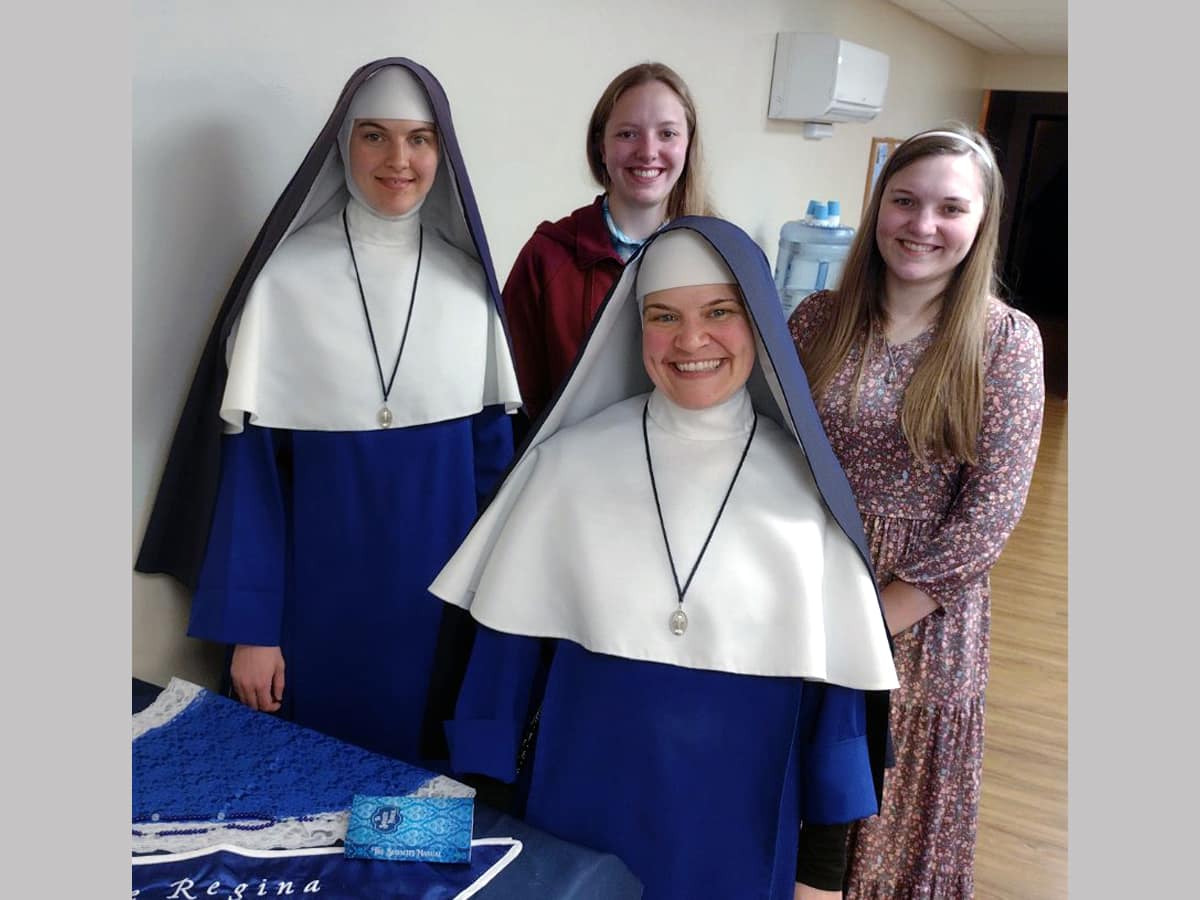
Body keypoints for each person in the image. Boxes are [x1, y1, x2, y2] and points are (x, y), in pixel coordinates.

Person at [430, 220, 899, 900]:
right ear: (636, 328)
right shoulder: (566, 467)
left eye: (719, 312)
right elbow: (498, 677)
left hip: (739, 830)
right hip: (577, 811)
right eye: (663, 316)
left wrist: (818, 879)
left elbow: (837, 718)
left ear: (759, 323)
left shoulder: (806, 496)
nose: (690, 340)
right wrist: (482, 821)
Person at [134, 58, 522, 763]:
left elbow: (492, 477)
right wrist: (252, 631)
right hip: (310, 617)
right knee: (294, 804)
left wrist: (488, 635)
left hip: (435, 621)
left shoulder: (467, 290)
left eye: (420, 139)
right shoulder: (286, 281)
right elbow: (251, 487)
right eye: (375, 136)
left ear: (443, 152)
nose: (398, 160)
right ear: (344, 144)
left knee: (411, 820)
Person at [787, 124, 1046, 898]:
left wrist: (872, 617)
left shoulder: (1003, 341)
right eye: (905, 201)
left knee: (880, 821)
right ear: (879, 208)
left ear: (980, 223)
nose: (922, 226)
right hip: (803, 592)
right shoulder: (816, 320)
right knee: (800, 820)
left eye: (949, 208)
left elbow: (989, 516)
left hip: (918, 624)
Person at [501, 61, 715, 426]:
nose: (648, 152)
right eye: (628, 134)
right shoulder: (547, 257)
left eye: (667, 134)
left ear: (688, 145)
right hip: (573, 470)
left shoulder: (716, 257)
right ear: (601, 145)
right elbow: (516, 408)